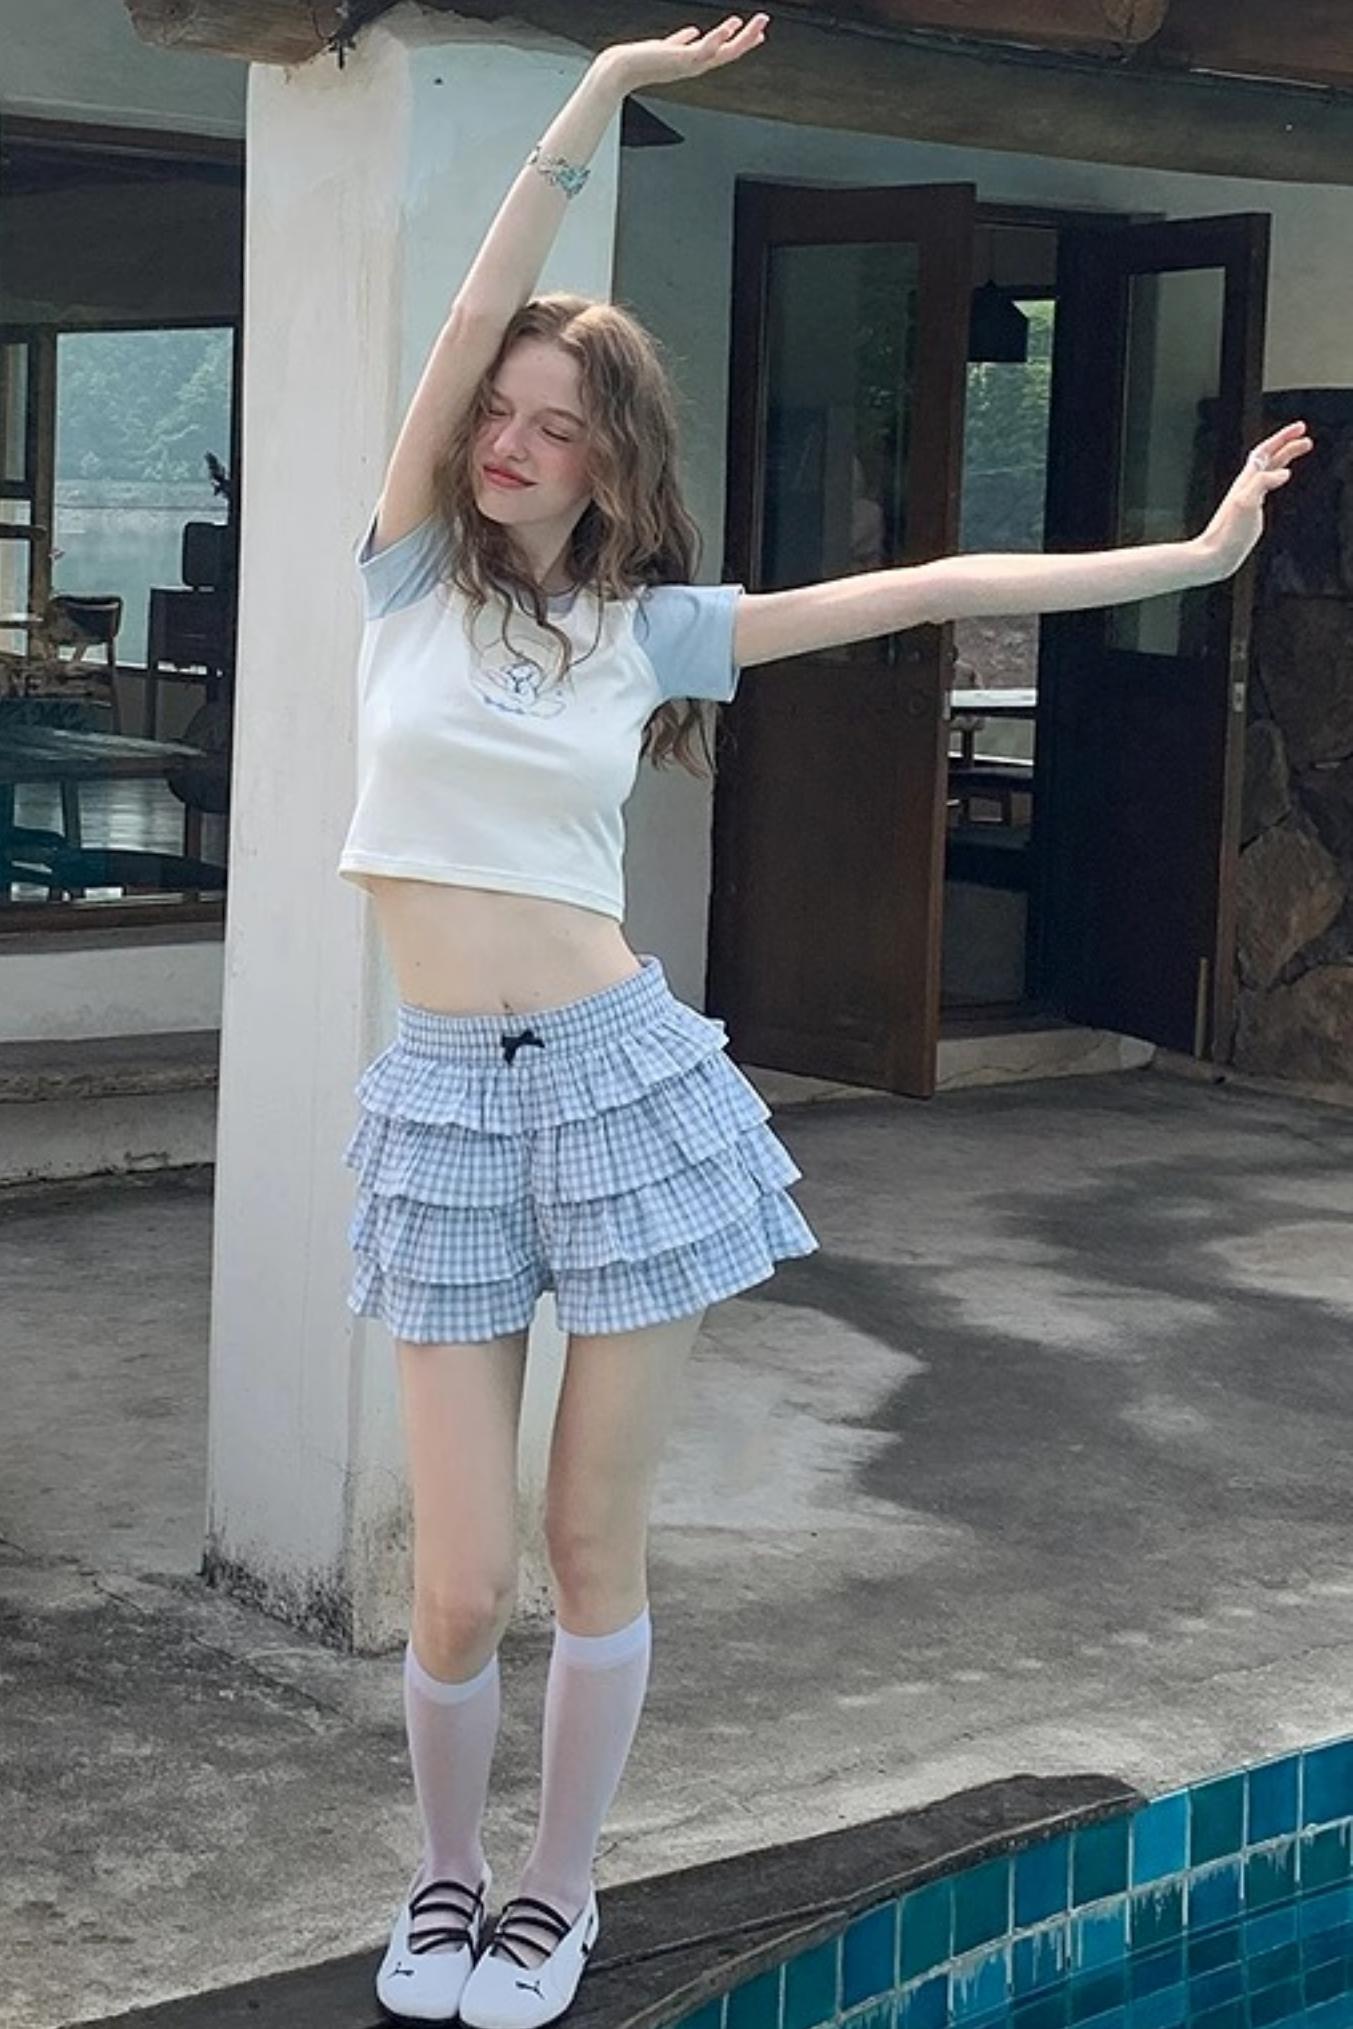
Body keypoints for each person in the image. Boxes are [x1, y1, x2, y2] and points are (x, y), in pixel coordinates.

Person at [335, 16, 1310, 2027]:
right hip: (438, 1101)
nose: (506, 439)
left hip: (614, 1086)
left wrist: (1197, 550)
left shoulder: (648, 633)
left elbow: (928, 583)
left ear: (608, 460)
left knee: (585, 1547)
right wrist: (597, 97)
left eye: (550, 423)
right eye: (496, 409)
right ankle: (437, 1886)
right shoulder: (407, 579)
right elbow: (472, 301)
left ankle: (553, 1896)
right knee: (456, 1576)